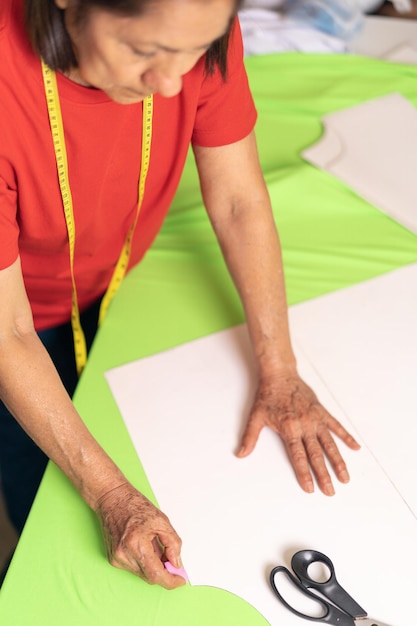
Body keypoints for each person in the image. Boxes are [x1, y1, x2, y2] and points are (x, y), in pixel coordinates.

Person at [0, 0, 360, 589]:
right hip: (17, 317)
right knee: (40, 489)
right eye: (143, 51)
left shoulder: (195, 18)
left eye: (193, 51)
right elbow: (7, 332)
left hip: (111, 277)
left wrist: (280, 370)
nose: (170, 83)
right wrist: (114, 496)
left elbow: (240, 204)